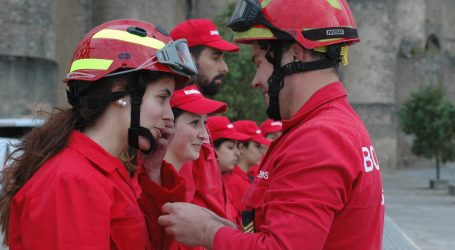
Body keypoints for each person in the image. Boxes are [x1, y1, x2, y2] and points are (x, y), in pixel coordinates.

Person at [158, 0, 385, 249]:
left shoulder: (318, 138)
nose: (255, 81)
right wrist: (226, 230)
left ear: (295, 55)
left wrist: (208, 232)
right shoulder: (337, 125)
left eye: (258, 64)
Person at [0, 19, 198, 249]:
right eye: (162, 98)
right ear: (121, 91)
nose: (169, 117)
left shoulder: (106, 171)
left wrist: (154, 173)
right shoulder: (71, 182)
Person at [168, 18, 240, 223]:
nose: (224, 68)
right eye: (216, 57)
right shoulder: (176, 113)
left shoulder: (198, 113)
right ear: (188, 57)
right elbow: (182, 199)